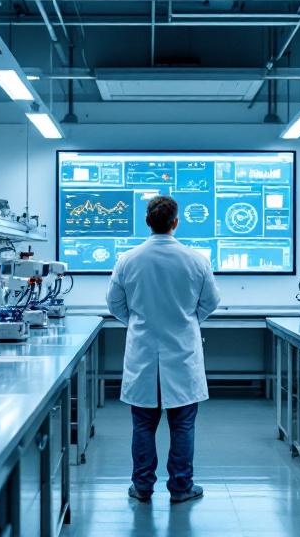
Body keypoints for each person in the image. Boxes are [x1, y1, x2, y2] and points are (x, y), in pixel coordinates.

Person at [106, 194, 221, 504]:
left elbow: (115, 304)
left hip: (143, 352)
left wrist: (139, 323)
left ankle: (142, 487)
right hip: (182, 353)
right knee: (182, 424)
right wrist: (186, 321)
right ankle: (181, 487)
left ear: (147, 222)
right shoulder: (196, 259)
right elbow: (211, 302)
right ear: (175, 222)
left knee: (143, 424)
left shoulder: (127, 259)